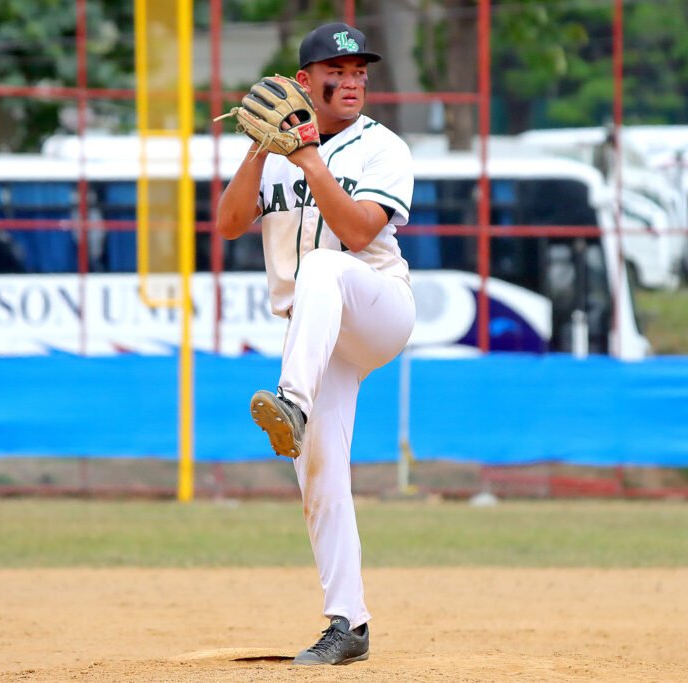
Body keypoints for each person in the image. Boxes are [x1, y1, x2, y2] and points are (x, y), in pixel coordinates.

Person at [215, 21, 415, 666]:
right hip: (316, 334)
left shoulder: (383, 149)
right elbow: (227, 225)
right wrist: (258, 149)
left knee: (323, 268)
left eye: (360, 70)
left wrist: (306, 157)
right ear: (305, 81)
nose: (352, 79)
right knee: (320, 476)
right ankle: (348, 624)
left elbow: (357, 235)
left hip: (377, 307)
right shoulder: (275, 151)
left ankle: (291, 402)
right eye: (338, 69)